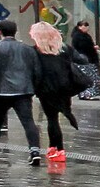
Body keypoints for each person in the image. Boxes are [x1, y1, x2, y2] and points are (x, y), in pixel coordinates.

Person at [0, 19, 43, 165]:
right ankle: (35, 151)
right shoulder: (28, 49)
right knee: (28, 121)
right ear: (15, 31)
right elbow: (36, 70)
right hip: (23, 91)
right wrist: (35, 88)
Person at [30, 22, 79, 166]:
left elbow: (35, 71)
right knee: (56, 117)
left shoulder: (36, 51)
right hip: (64, 88)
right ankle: (54, 148)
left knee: (52, 119)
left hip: (46, 89)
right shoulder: (64, 49)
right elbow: (82, 59)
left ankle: (58, 149)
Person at [70, 23, 100, 100]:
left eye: (87, 26)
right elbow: (83, 47)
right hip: (86, 60)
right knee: (89, 76)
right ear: (80, 27)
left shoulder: (82, 35)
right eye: (85, 26)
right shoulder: (79, 36)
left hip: (86, 59)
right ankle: (88, 94)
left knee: (86, 77)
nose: (87, 27)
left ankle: (84, 94)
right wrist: (93, 47)